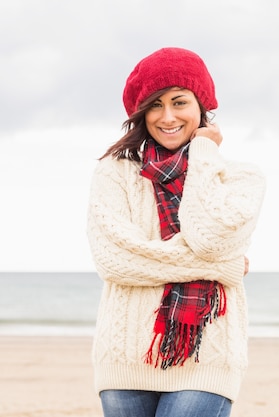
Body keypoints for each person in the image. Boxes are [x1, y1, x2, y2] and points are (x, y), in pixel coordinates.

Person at [86, 47, 266, 417]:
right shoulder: (114, 172)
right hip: (124, 356)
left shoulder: (241, 178)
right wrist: (223, 269)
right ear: (141, 113)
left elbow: (209, 238)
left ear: (201, 107)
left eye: (179, 102)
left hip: (207, 359)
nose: (167, 117)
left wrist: (203, 152)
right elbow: (116, 260)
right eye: (155, 105)